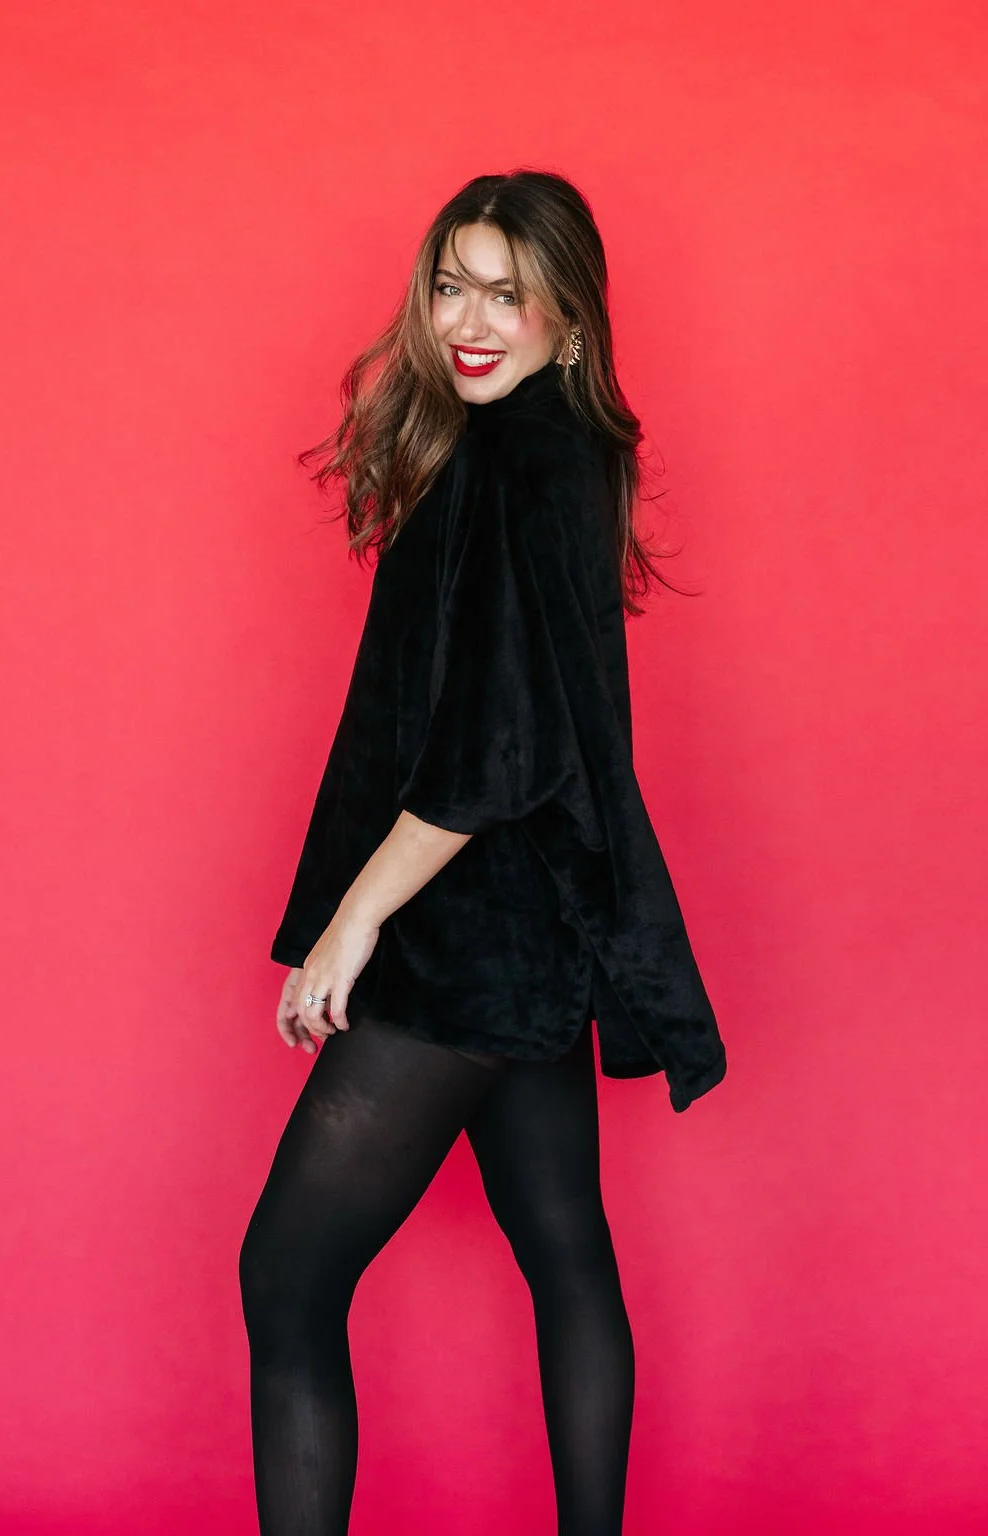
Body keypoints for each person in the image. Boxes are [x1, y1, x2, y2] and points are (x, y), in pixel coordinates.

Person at [239, 169, 727, 1536]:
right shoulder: (558, 452)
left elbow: (490, 757)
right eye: (452, 286)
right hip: (542, 925)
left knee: (286, 1279)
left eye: (508, 296)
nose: (469, 322)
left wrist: (351, 925)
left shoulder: (513, 465)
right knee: (567, 1253)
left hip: (467, 940)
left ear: (569, 319)